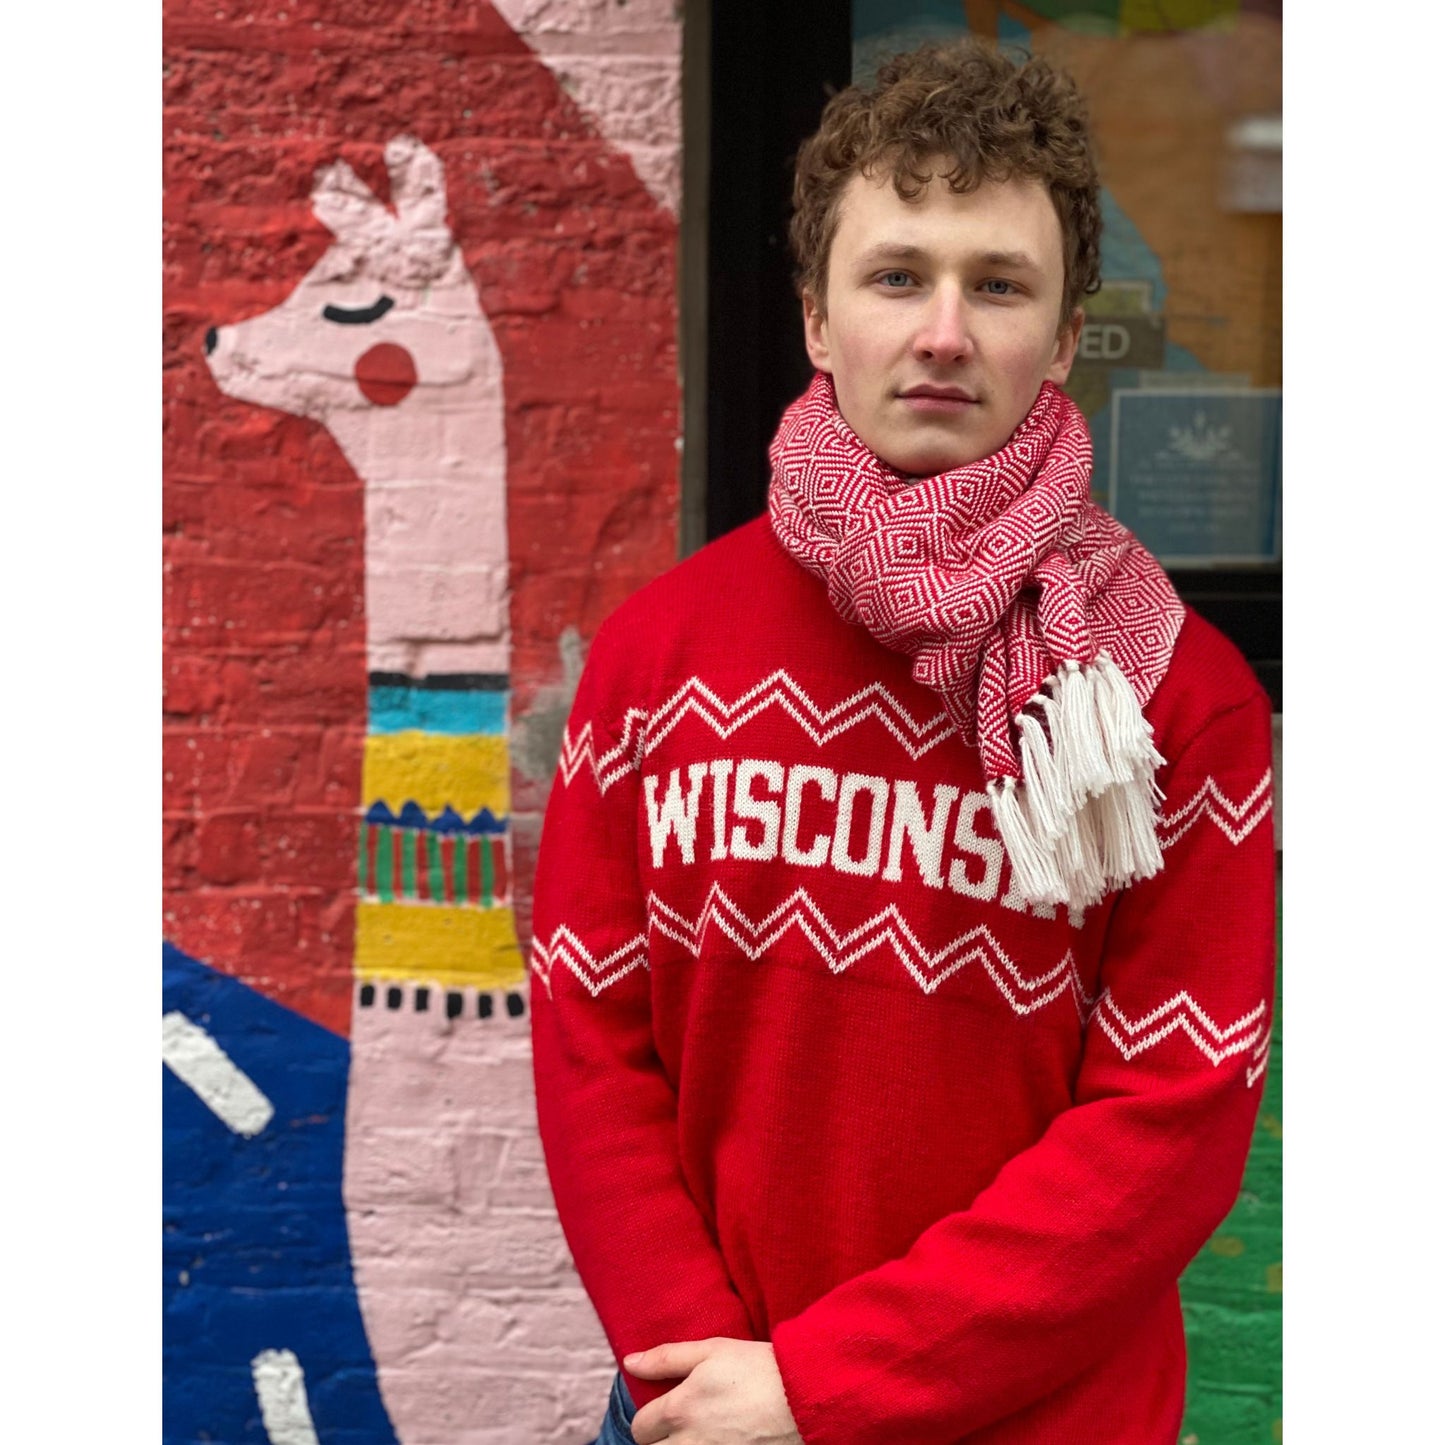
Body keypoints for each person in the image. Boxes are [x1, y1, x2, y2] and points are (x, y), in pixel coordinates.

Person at [529, 36, 1275, 1445]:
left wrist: (822, 1388)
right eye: (896, 276)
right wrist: (710, 1380)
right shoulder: (655, 656)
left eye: (996, 285)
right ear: (816, 317)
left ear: (1061, 338)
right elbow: (591, 1041)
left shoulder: (1170, 696)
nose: (943, 329)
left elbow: (1167, 1117)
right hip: (708, 1408)